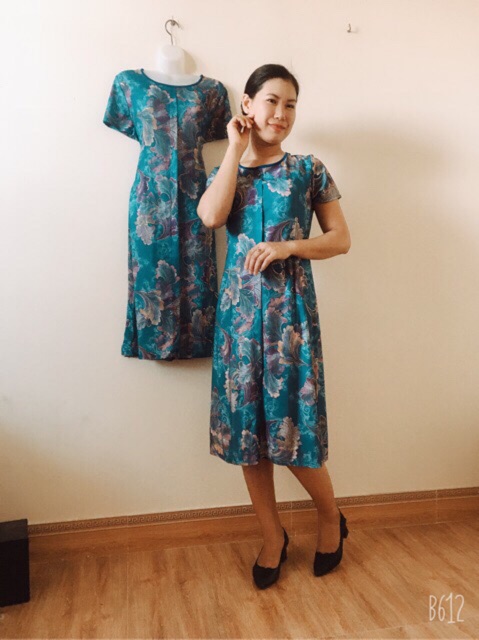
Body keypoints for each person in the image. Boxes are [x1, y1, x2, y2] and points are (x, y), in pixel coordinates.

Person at [197, 64, 351, 589]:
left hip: (291, 317)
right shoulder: (228, 169)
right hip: (238, 321)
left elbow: (340, 238)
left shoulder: (309, 169)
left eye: (290, 105)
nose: (281, 114)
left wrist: (288, 246)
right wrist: (234, 150)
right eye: (271, 101)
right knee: (249, 436)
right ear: (247, 104)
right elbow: (211, 217)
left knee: (293, 429)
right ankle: (271, 536)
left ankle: (330, 518)